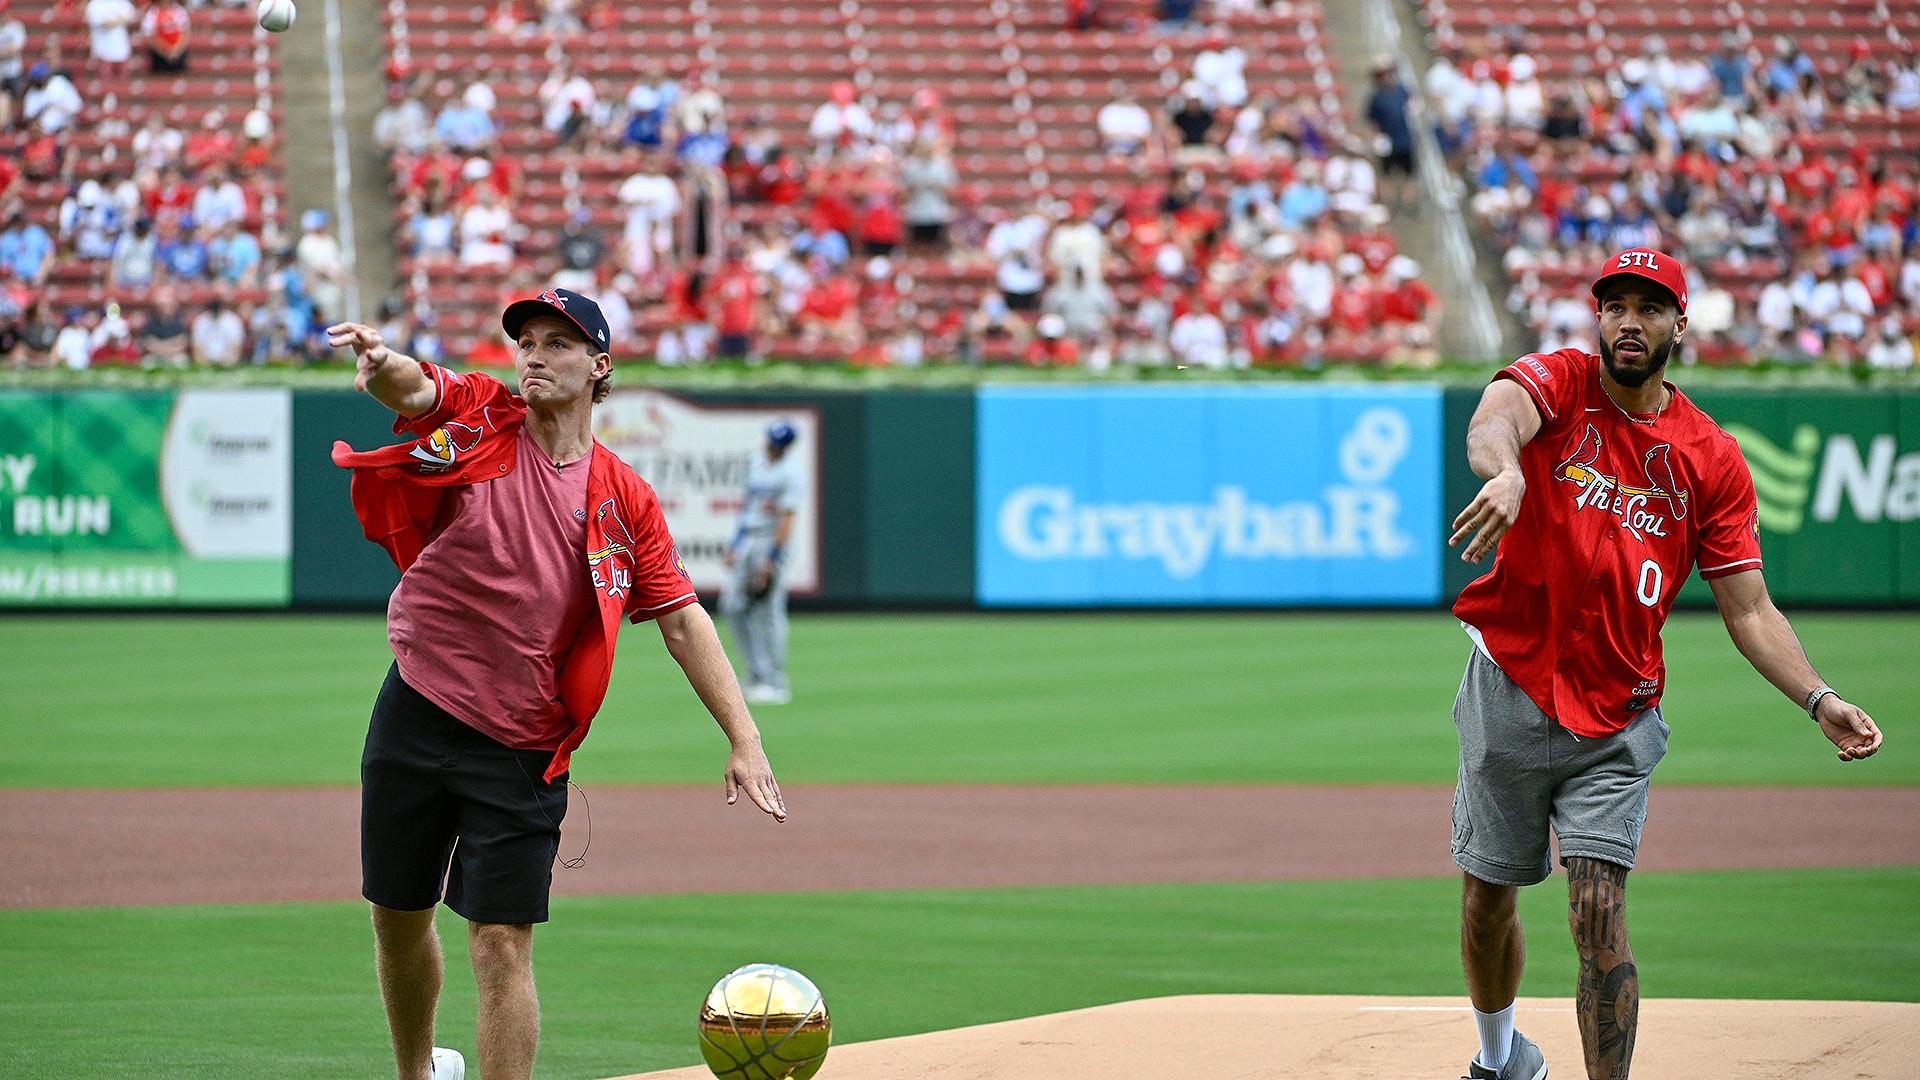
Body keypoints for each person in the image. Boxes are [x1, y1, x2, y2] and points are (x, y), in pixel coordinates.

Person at [1445, 249, 1884, 1080]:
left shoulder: (1710, 457)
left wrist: (1818, 696)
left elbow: (1749, 609)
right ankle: (1501, 1057)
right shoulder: (1562, 382)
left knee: (1598, 908)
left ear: (1679, 324)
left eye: (1650, 308)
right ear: (1598, 317)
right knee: (1487, 898)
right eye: (1616, 306)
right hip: (1510, 679)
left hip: (1618, 712)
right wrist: (1504, 471)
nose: (1630, 323)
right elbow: (1494, 417)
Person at [325, 288, 786, 1080]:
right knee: (398, 917)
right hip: (417, 702)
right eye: (526, 340)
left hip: (523, 743)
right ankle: (416, 1072)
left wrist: (744, 738)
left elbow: (682, 619)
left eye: (557, 343)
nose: (534, 354)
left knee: (501, 942)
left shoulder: (623, 495)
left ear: (599, 366)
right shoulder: (483, 418)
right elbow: (419, 388)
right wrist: (382, 363)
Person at [722, 420, 804, 705]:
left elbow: (787, 519)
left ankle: (774, 681)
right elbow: (748, 507)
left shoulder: (790, 473)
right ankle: (756, 673)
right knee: (732, 605)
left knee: (768, 611)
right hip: (749, 539)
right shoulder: (756, 463)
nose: (772, 447)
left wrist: (771, 560)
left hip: (771, 541)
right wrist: (735, 543)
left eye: (778, 444)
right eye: (771, 441)